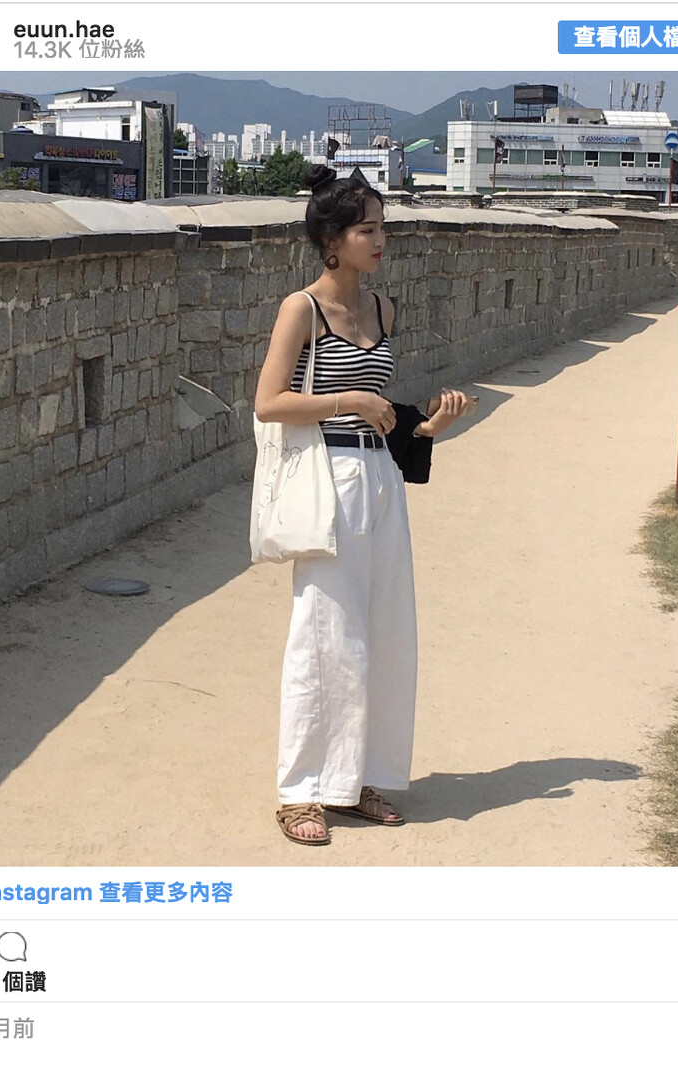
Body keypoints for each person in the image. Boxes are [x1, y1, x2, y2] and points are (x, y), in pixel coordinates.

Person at [254, 164, 470, 845]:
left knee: (385, 630)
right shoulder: (302, 309)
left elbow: (385, 415)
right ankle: (301, 791)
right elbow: (269, 403)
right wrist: (347, 399)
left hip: (380, 480)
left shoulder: (383, 309)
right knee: (323, 634)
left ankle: (359, 779)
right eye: (365, 229)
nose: (379, 240)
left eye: (382, 228)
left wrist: (426, 426)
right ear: (331, 240)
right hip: (328, 481)